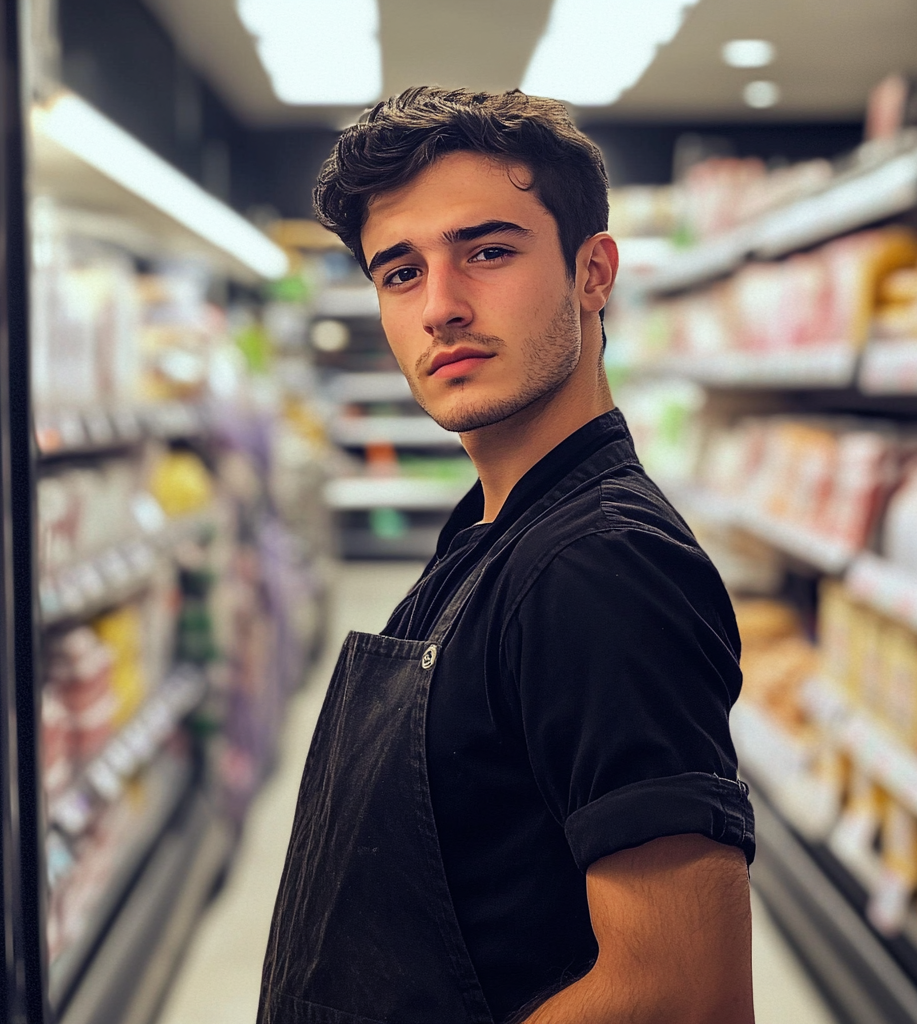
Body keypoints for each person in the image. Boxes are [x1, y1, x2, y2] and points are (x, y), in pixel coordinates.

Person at [258, 87, 755, 1024]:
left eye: (487, 251)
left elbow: (682, 996)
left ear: (592, 272)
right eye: (399, 273)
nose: (441, 307)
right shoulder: (496, 530)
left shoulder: (602, 567)